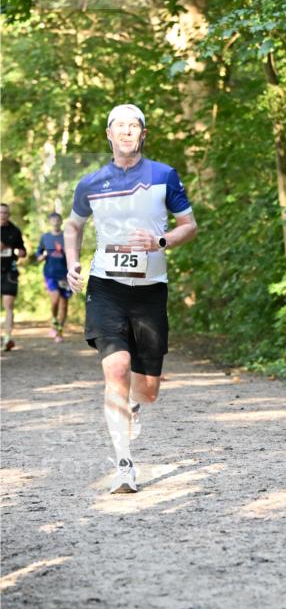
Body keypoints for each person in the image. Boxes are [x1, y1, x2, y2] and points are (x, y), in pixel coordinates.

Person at [64, 104, 197, 494]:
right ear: (108, 134)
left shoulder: (163, 175)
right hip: (106, 287)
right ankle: (124, 464)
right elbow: (73, 226)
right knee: (116, 369)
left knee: (148, 389)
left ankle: (135, 407)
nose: (126, 131)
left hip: (151, 290)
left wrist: (161, 241)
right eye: (119, 126)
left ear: (142, 133)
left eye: (133, 126)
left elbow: (189, 226)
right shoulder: (90, 183)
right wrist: (74, 264)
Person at [36, 212, 71, 342]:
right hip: (50, 273)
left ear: (61, 221)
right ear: (49, 222)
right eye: (53, 220)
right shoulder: (45, 237)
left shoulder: (67, 237)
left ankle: (59, 331)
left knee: (64, 304)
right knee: (55, 299)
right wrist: (41, 257)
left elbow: (74, 253)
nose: (56, 222)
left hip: (65, 274)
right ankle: (54, 320)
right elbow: (38, 253)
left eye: (58, 220)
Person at [1, 202, 27, 351]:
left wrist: (19, 251)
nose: (2, 215)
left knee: (8, 305)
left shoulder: (14, 231)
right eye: (0, 212)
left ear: (8, 214)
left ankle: (7, 338)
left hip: (9, 272)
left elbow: (22, 249)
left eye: (5, 212)